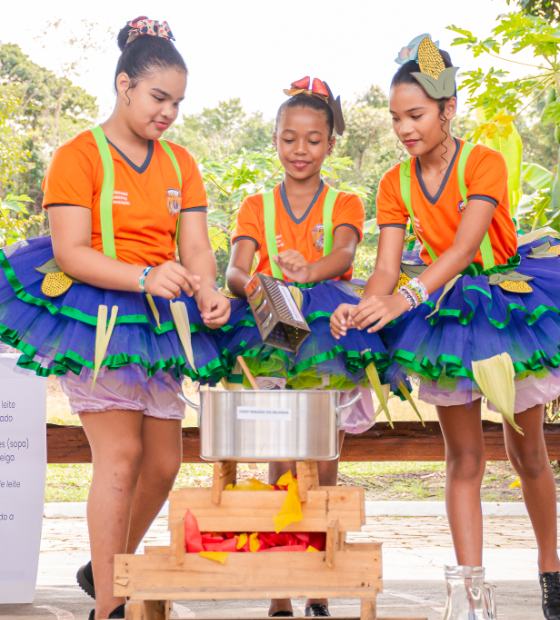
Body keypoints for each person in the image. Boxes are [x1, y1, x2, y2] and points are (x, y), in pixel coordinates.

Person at [0, 17, 230, 620]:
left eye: (177, 102)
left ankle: (106, 566)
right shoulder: (78, 156)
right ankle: (112, 606)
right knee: (121, 456)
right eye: (159, 98)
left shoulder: (181, 164)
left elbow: (197, 247)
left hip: (160, 321)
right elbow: (72, 251)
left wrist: (204, 288)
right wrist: (143, 276)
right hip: (95, 311)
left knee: (164, 462)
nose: (169, 113)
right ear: (124, 85)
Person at [331, 33, 560, 620]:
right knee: (462, 458)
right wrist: (361, 306)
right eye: (395, 118)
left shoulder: (481, 162)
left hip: (504, 306)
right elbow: (384, 266)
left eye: (416, 115)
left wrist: (405, 295)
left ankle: (552, 570)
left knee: (527, 451)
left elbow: (464, 246)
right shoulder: (394, 182)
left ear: (447, 110)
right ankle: (470, 599)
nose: (404, 128)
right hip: (444, 314)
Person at [224, 77, 387, 618]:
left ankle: (318, 577)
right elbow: (236, 266)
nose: (300, 150)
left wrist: (308, 270)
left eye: (313, 140)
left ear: (330, 145)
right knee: (279, 453)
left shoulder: (346, 200)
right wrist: (247, 283)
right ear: (274, 140)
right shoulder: (254, 205)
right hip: (270, 328)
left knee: (322, 451)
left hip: (324, 330)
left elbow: (342, 257)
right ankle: (279, 585)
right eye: (289, 138)